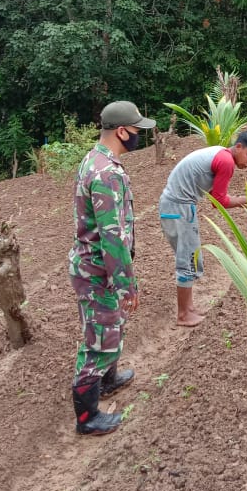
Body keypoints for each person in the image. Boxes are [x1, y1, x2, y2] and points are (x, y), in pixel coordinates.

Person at [69, 100, 155, 435]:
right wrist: (126, 286)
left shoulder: (95, 158)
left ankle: (108, 380)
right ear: (121, 131)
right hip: (97, 271)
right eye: (136, 131)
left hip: (92, 266)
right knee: (101, 339)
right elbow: (113, 239)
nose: (138, 136)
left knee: (110, 326)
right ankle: (87, 417)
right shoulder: (106, 174)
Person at [159, 129, 247, 327]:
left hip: (176, 205)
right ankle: (183, 314)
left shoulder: (221, 153)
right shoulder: (226, 162)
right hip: (178, 207)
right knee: (188, 257)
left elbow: (215, 194)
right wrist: (246, 200)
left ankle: (189, 309)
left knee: (191, 254)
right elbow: (218, 202)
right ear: (239, 146)